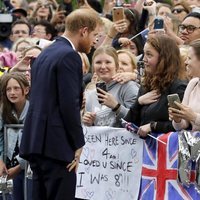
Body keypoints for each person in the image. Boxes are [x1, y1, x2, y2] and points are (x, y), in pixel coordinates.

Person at [19, 8, 101, 200]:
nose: (95, 41)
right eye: (95, 35)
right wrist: (78, 143)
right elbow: (68, 106)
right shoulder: (69, 56)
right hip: (57, 148)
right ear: (84, 31)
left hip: (37, 144)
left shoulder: (46, 53)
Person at [124, 35, 187, 138]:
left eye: (149, 55)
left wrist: (153, 126)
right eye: (144, 54)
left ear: (164, 58)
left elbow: (182, 125)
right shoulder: (147, 85)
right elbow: (127, 123)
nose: (144, 59)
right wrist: (139, 102)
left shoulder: (178, 87)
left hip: (167, 151)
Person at [82, 46, 139, 127]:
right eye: (98, 62)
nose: (103, 66)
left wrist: (116, 106)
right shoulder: (91, 94)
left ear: (116, 65)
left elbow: (137, 121)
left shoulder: (129, 87)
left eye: (108, 62)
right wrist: (89, 122)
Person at [0, 72, 30, 200]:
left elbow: (34, 142)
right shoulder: (4, 111)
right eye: (8, 89)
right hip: (7, 166)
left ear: (26, 90)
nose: (12, 92)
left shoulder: (33, 111)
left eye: (16, 88)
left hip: (27, 166)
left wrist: (19, 167)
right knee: (7, 195)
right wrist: (0, 161)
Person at [169, 39, 200, 131]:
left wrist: (194, 117)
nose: (185, 62)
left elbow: (193, 117)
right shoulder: (193, 83)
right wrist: (177, 117)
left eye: (189, 58)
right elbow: (181, 126)